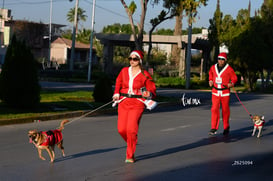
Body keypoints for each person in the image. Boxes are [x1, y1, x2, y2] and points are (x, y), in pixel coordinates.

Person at [112, 50, 156, 163]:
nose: (132, 61)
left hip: (137, 103)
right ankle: (131, 142)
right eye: (130, 59)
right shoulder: (124, 71)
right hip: (123, 102)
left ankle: (130, 155)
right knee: (121, 129)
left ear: (139, 61)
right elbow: (118, 82)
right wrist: (116, 93)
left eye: (135, 59)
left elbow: (152, 89)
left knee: (131, 129)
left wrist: (148, 94)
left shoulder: (145, 74)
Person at [208, 52, 237, 136]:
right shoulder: (213, 67)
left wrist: (231, 83)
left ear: (225, 60)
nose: (220, 61)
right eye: (219, 59)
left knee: (225, 111)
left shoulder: (229, 69)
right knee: (214, 109)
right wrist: (210, 80)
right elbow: (210, 74)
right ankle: (214, 128)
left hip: (225, 92)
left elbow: (234, 78)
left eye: (222, 59)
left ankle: (226, 127)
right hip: (215, 92)